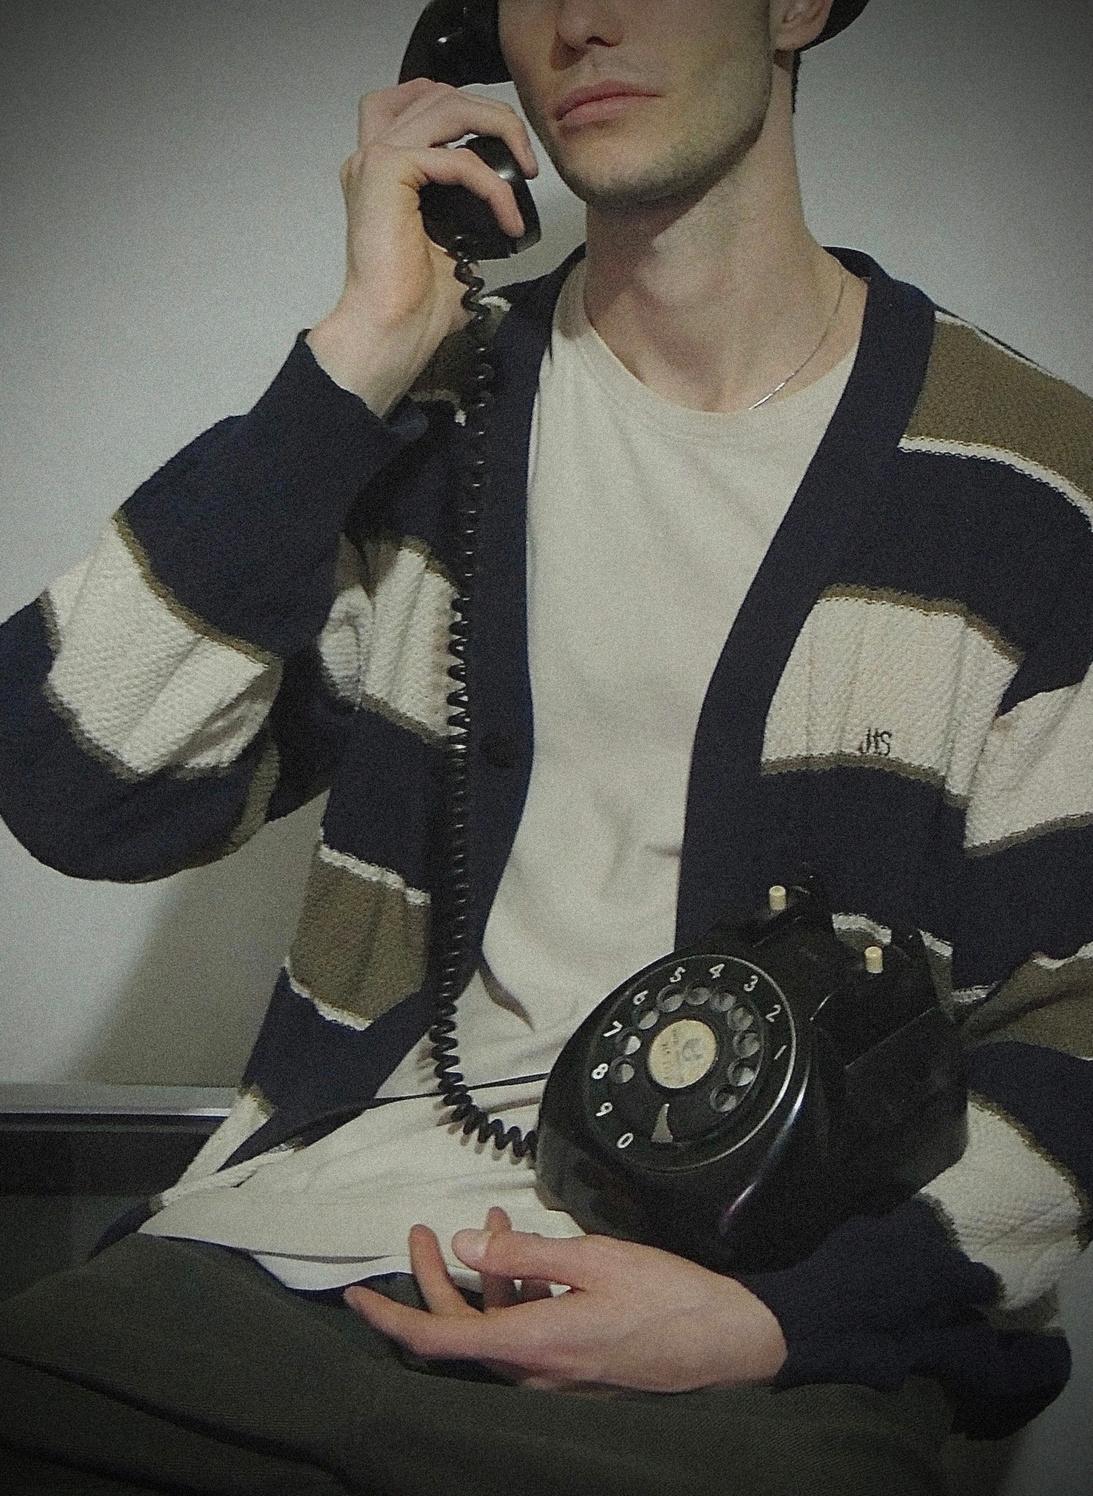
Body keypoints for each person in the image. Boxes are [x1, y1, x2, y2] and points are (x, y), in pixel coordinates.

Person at [1, 0, 1091, 1491]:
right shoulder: (425, 417)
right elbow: (70, 783)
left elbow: (1074, 1021)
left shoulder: (1024, 486)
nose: (580, 20)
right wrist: (350, 361)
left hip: (741, 1326)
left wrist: (781, 1321)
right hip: (307, 1247)